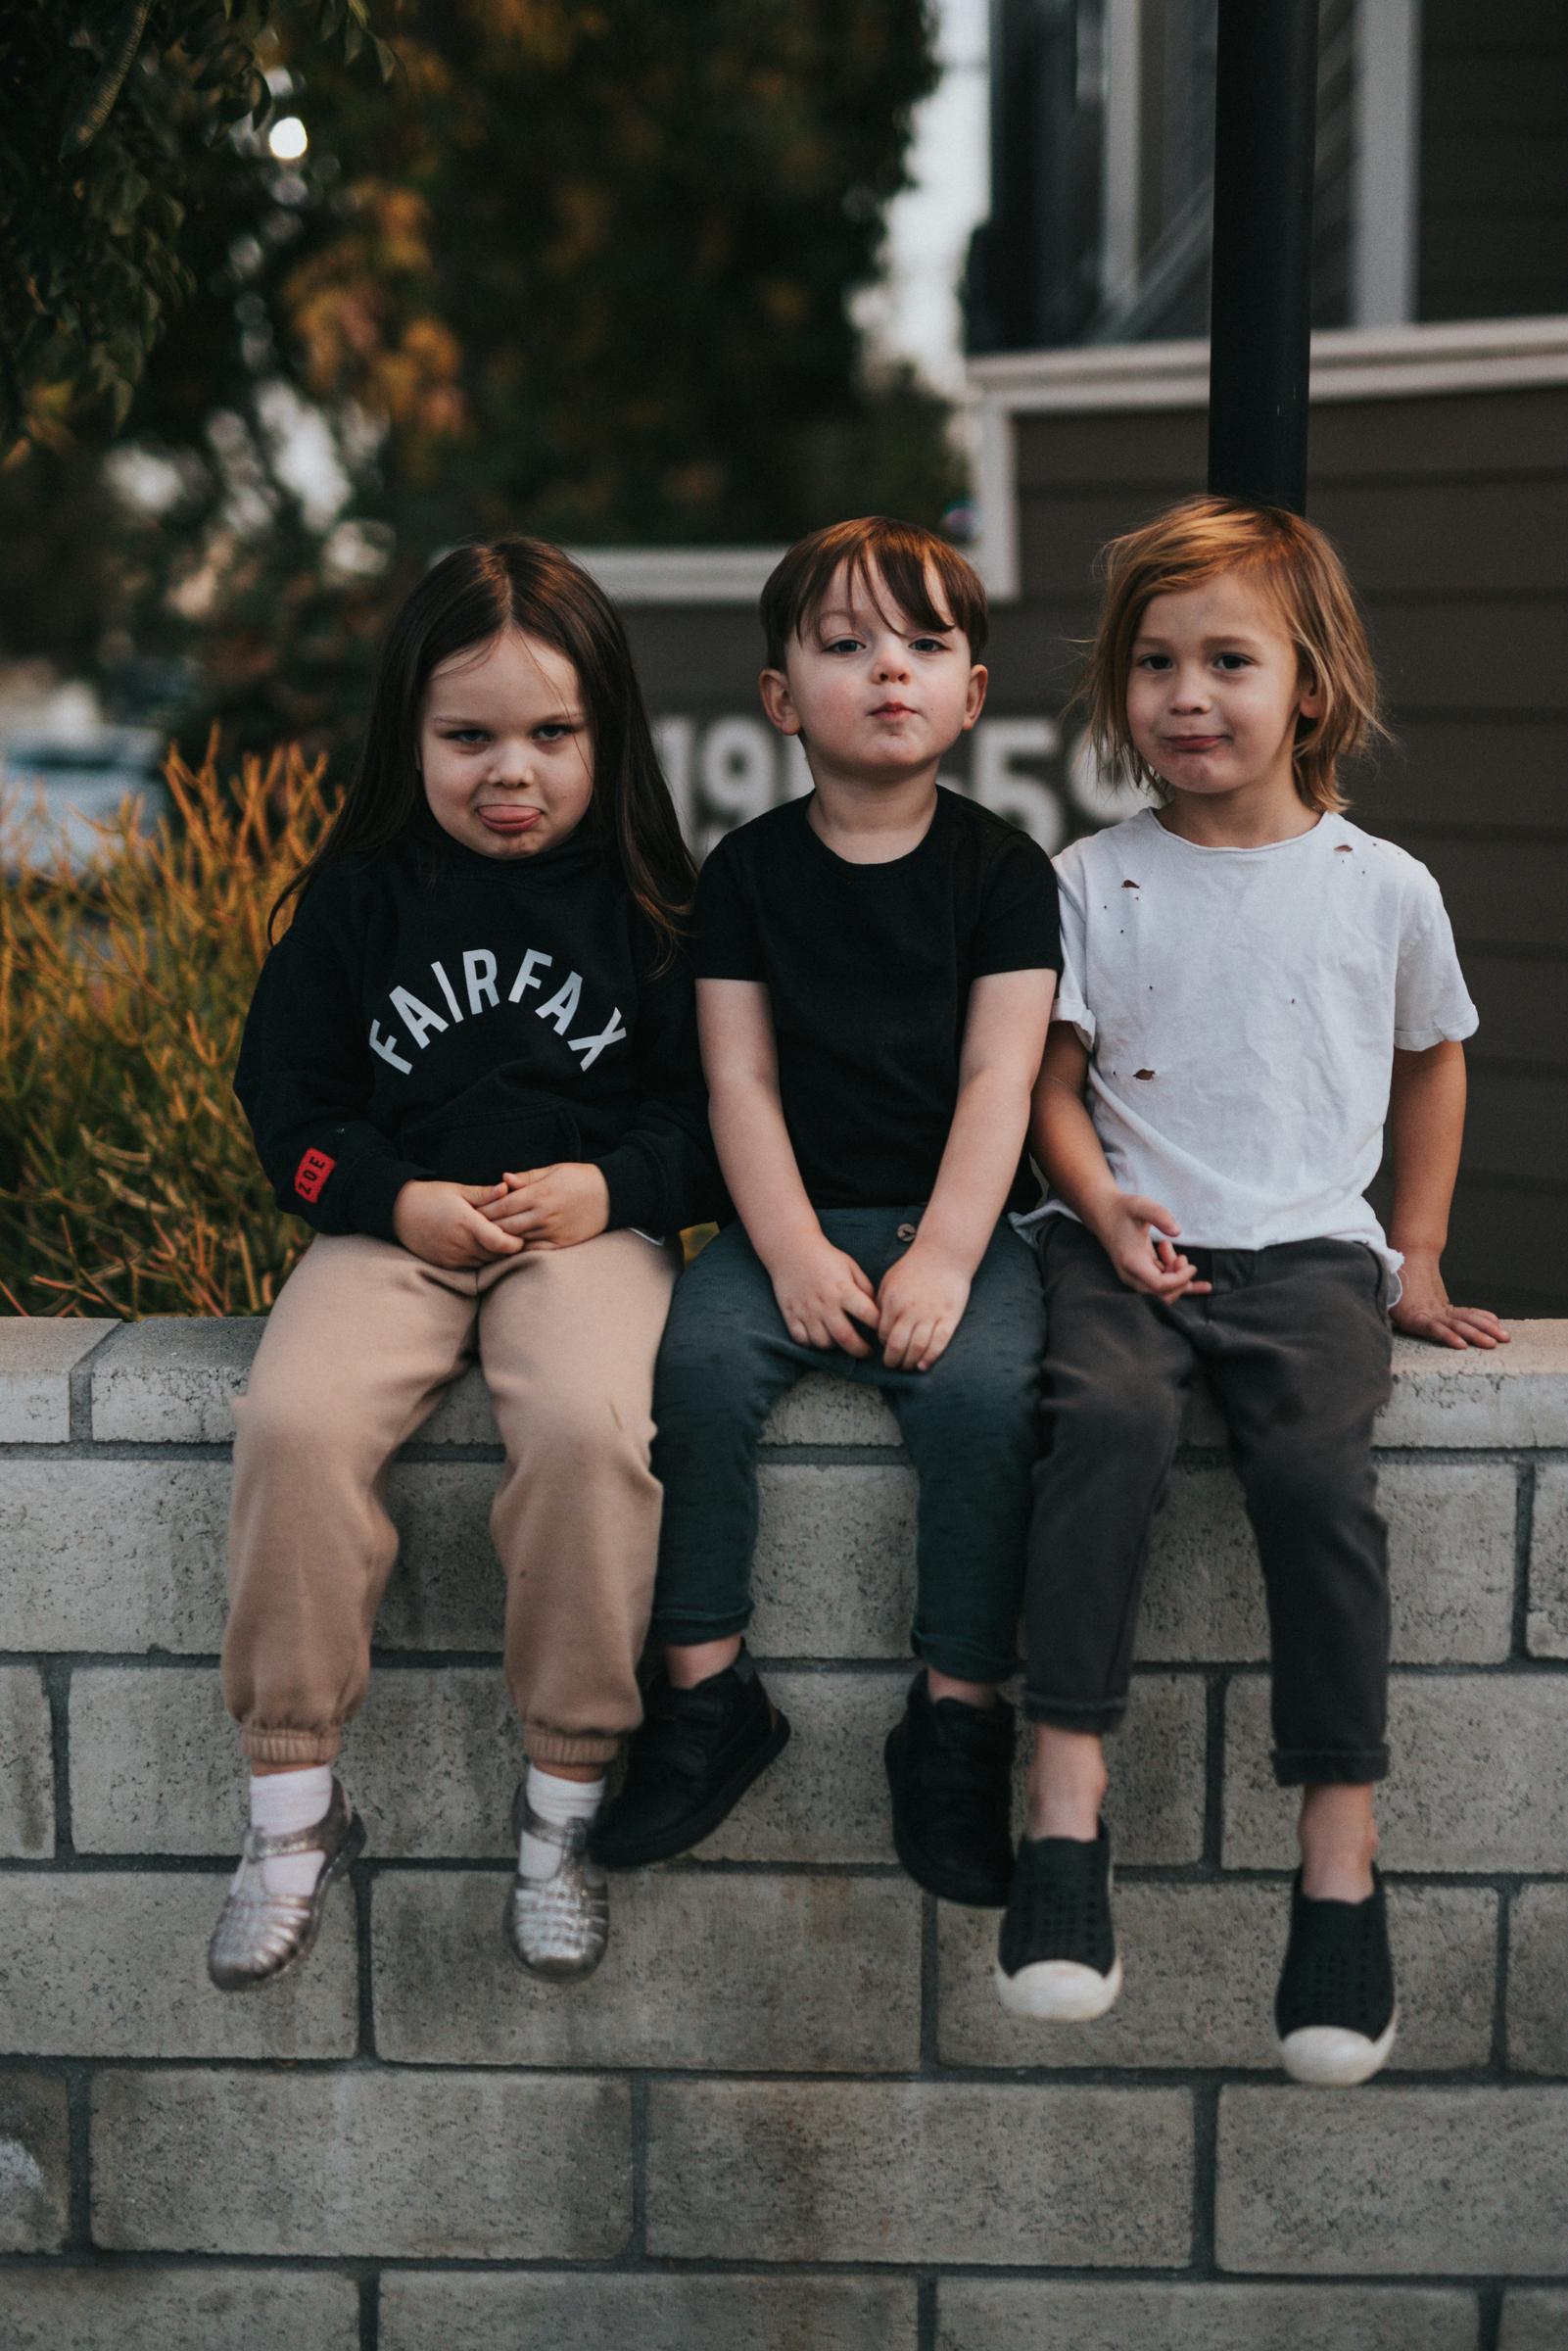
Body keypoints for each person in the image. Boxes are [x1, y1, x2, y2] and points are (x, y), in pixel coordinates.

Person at [996, 495, 1508, 2084]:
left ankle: (1338, 1864)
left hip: (1304, 1254)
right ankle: (1062, 1818)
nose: (1186, 695)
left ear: (1310, 684)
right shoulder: (1087, 879)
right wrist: (1098, 1206)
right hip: (1120, 1242)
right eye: (1153, 662)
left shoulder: (1379, 886)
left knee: (1310, 1477)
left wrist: (1411, 1250)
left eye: (1227, 659)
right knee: (1101, 1427)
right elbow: (1046, 1082)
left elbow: (1435, 1057)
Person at [208, 537, 717, 1991]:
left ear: (605, 736)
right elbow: (284, 1107)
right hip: (398, 1230)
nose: (513, 770)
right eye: (468, 737)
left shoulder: (652, 907)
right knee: (293, 1425)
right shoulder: (360, 899)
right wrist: (386, 1196)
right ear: (407, 739)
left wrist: (609, 1186)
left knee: (583, 1430)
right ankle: (294, 1806)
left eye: (552, 735)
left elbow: (708, 1126)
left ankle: (562, 1801)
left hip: (587, 1238)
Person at [590, 515, 1060, 1905]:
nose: (888, 672)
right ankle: (704, 1694)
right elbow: (734, 1077)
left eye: (924, 645)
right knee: (693, 1367)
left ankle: (959, 1721)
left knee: (983, 1407)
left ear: (972, 693)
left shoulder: (1001, 874)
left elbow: (1002, 1078)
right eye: (846, 646)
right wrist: (789, 1251)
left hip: (960, 1228)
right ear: (783, 700)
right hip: (785, 1214)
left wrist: (943, 1260)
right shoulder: (745, 875)